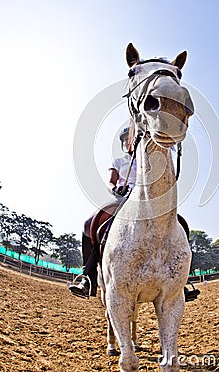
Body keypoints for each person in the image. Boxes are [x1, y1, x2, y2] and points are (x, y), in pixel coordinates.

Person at [69, 126, 200, 302]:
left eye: (130, 139)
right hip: (123, 198)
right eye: (125, 140)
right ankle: (88, 276)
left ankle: (181, 280)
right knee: (88, 224)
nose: (128, 142)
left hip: (148, 199)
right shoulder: (118, 162)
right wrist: (115, 189)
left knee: (181, 224)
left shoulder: (149, 160)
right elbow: (110, 182)